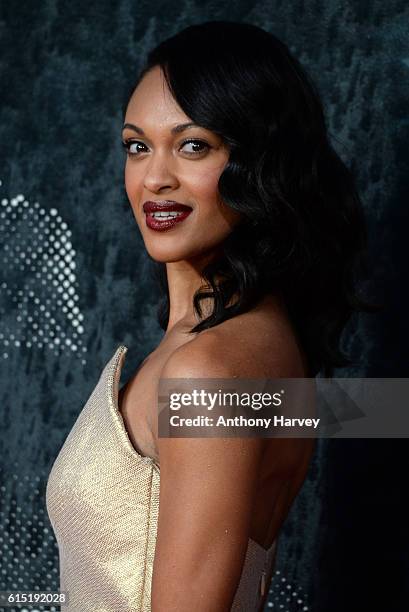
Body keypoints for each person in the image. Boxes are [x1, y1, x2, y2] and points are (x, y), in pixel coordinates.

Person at [46, 21, 370, 611]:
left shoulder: (210, 372)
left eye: (193, 145)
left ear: (257, 163)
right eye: (137, 145)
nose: (155, 178)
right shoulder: (243, 346)